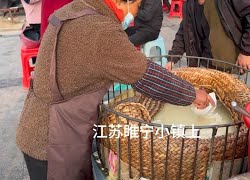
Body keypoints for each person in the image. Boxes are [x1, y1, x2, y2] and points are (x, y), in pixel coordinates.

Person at [15, 0, 213, 179]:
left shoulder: (76, 8)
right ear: (124, 2)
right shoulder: (100, 31)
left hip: (39, 123)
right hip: (52, 142)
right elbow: (149, 76)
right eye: (136, 7)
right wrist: (193, 94)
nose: (133, 16)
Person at [167, 0, 250, 72]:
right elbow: (185, 31)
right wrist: (172, 59)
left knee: (230, 100)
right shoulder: (190, 3)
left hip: (232, 63)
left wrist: (246, 52)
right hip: (206, 62)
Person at [166, 0, 213, 69]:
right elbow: (183, 33)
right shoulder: (190, 4)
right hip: (195, 61)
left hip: (215, 63)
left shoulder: (218, 5)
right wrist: (172, 59)